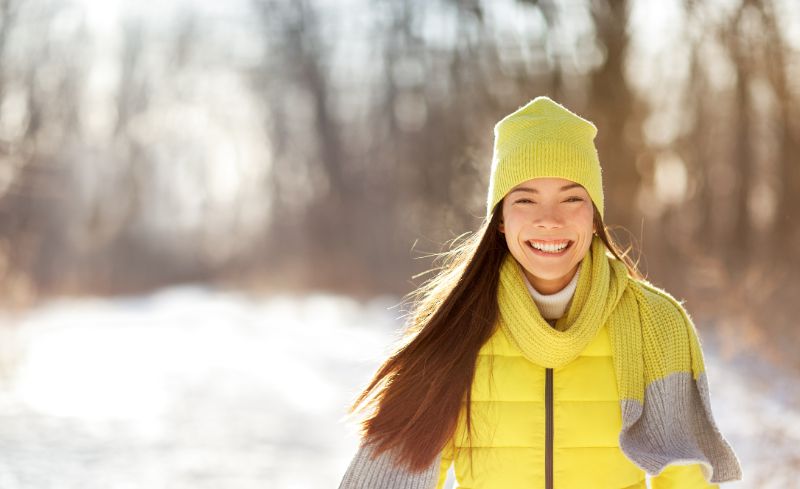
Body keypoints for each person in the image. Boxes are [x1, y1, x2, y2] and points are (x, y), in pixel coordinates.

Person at [337, 96, 742, 489]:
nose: (550, 219)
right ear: (500, 219)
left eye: (571, 198)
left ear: (595, 213)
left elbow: (686, 477)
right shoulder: (456, 325)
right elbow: (402, 467)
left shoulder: (654, 324)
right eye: (526, 199)